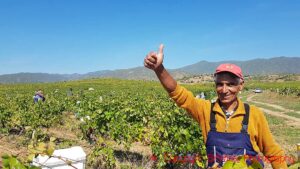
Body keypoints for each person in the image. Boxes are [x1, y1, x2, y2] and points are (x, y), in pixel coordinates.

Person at [144, 44, 287, 169]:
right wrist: (159, 69)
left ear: (240, 86)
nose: (224, 90)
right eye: (220, 84)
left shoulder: (254, 115)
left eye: (230, 84)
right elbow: (179, 94)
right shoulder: (206, 110)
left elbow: (273, 153)